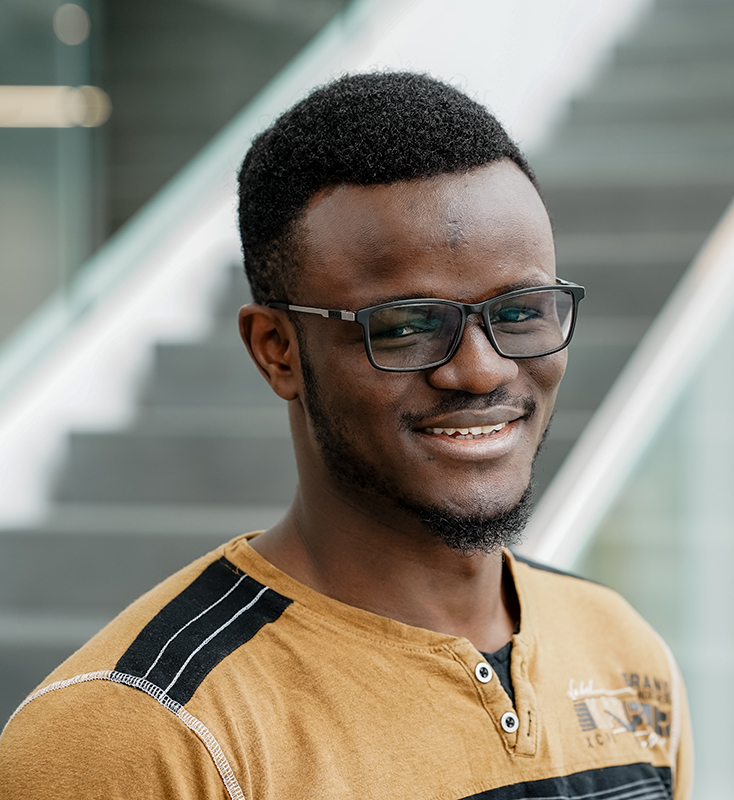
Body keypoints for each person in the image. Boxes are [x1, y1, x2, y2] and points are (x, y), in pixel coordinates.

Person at [0, 71, 692, 799]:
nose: (481, 370)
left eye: (521, 312)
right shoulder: (140, 735)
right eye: (407, 325)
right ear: (278, 350)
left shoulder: (621, 649)